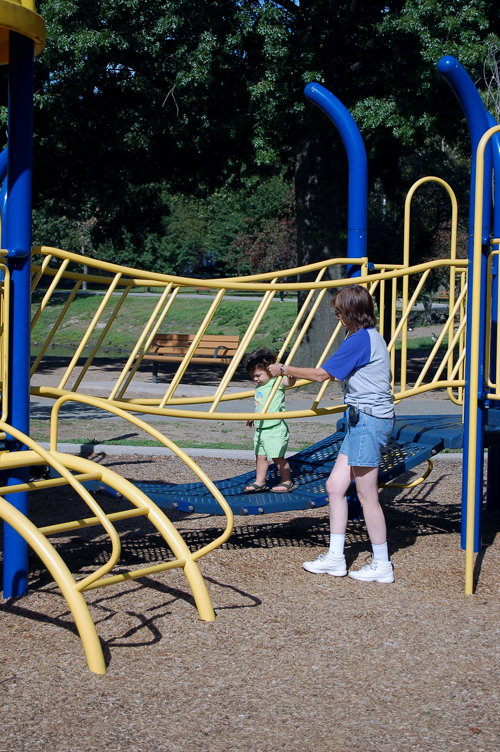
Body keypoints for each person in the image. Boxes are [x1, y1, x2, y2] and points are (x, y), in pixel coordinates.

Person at [267, 284, 395, 583]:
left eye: (339, 313)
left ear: (351, 313)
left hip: (368, 420)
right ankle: (336, 558)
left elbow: (323, 374)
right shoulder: (367, 337)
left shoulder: (360, 340)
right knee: (335, 486)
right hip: (361, 419)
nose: (338, 319)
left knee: (367, 496)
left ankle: (382, 564)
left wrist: (284, 369)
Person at [244, 347, 297, 494]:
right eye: (253, 376)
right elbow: (260, 404)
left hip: (274, 428)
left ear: (269, 370)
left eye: (258, 375)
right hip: (261, 428)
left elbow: (288, 383)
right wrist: (253, 415)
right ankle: (260, 481)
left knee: (277, 457)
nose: (256, 379)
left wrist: (291, 378)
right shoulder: (259, 387)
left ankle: (286, 481)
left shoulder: (276, 382)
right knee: (260, 457)